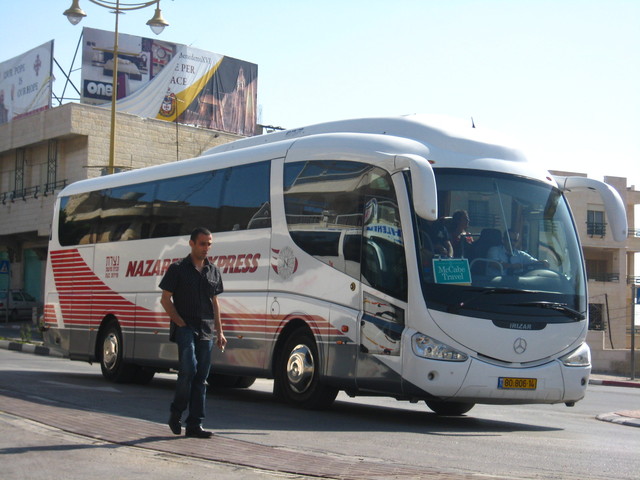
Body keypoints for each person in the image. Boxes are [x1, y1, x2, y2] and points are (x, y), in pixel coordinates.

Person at [159, 227, 227, 438]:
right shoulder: (178, 269)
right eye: (202, 243)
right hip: (185, 327)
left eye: (209, 244)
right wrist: (179, 323)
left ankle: (194, 424)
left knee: (201, 378)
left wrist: (220, 332)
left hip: (206, 329)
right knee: (189, 370)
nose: (206, 248)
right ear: (192, 244)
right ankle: (176, 412)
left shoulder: (213, 271)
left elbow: (215, 303)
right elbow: (165, 299)